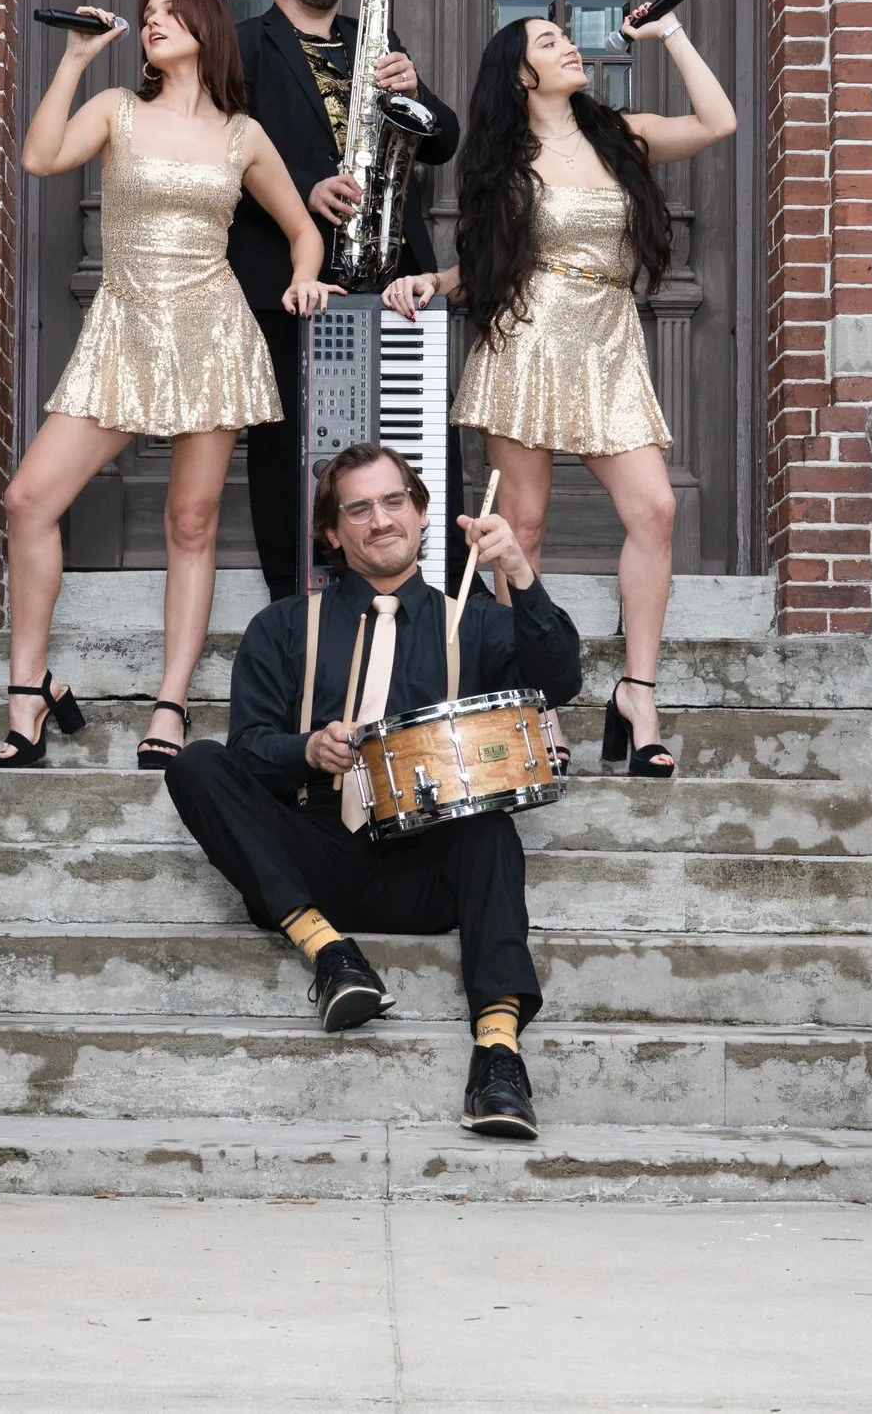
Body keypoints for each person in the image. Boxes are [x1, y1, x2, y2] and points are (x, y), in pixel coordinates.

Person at [162, 442, 582, 1139]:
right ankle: (329, 952)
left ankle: (498, 1056)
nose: (380, 520)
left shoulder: (474, 622)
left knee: (491, 826)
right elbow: (249, 749)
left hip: (424, 861)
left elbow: (560, 678)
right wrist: (307, 749)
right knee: (196, 763)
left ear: (422, 513)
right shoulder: (284, 626)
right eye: (358, 509)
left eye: (393, 502)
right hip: (313, 853)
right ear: (333, 533)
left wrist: (517, 570)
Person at [383, 10, 735, 778]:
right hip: (528, 340)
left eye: (566, 37)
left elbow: (719, 122)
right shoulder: (507, 161)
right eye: (549, 42)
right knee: (524, 528)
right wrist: (433, 280)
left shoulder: (620, 136)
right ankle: (532, 702)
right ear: (520, 73)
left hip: (608, 341)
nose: (569, 46)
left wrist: (673, 34)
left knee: (655, 508)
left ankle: (637, 694)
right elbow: (490, 264)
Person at [7, 0, 339, 769]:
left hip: (211, 332)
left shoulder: (242, 135)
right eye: (147, 14)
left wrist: (303, 279)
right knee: (28, 500)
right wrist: (76, 58)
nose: (153, 22)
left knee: (191, 522)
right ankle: (28, 687)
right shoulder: (115, 109)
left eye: (168, 13)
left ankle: (171, 701)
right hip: (124, 327)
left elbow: (304, 230)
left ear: (205, 27)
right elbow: (40, 157)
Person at [232, 0, 461, 600]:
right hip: (288, 272)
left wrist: (415, 92)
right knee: (288, 443)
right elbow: (219, 153)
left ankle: (436, 587)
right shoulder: (246, 46)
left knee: (411, 428)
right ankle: (293, 596)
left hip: (390, 265)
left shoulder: (375, 41)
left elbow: (442, 140)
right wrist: (304, 188)